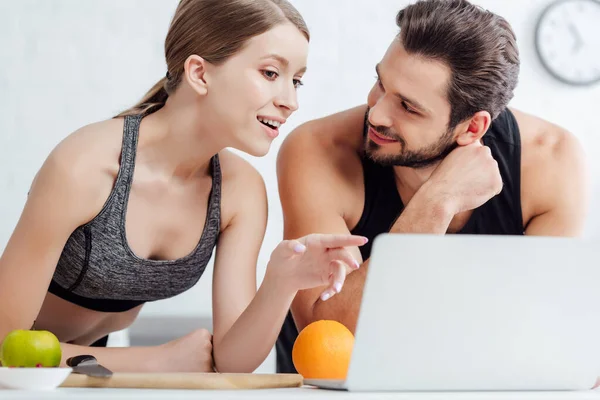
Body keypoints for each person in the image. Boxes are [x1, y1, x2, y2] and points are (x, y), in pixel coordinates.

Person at [0, 0, 368, 373]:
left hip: (81, 371)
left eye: (296, 80)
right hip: (22, 372)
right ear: (199, 73)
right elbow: (4, 342)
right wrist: (151, 361)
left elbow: (232, 361)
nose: (291, 102)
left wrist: (281, 282)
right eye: (271, 73)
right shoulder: (86, 167)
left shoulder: (240, 191)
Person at [275, 0, 589, 373]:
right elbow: (326, 338)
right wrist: (436, 203)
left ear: (472, 128)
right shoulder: (318, 150)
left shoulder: (551, 160)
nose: (375, 113)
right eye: (380, 83)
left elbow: (537, 330)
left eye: (408, 107)